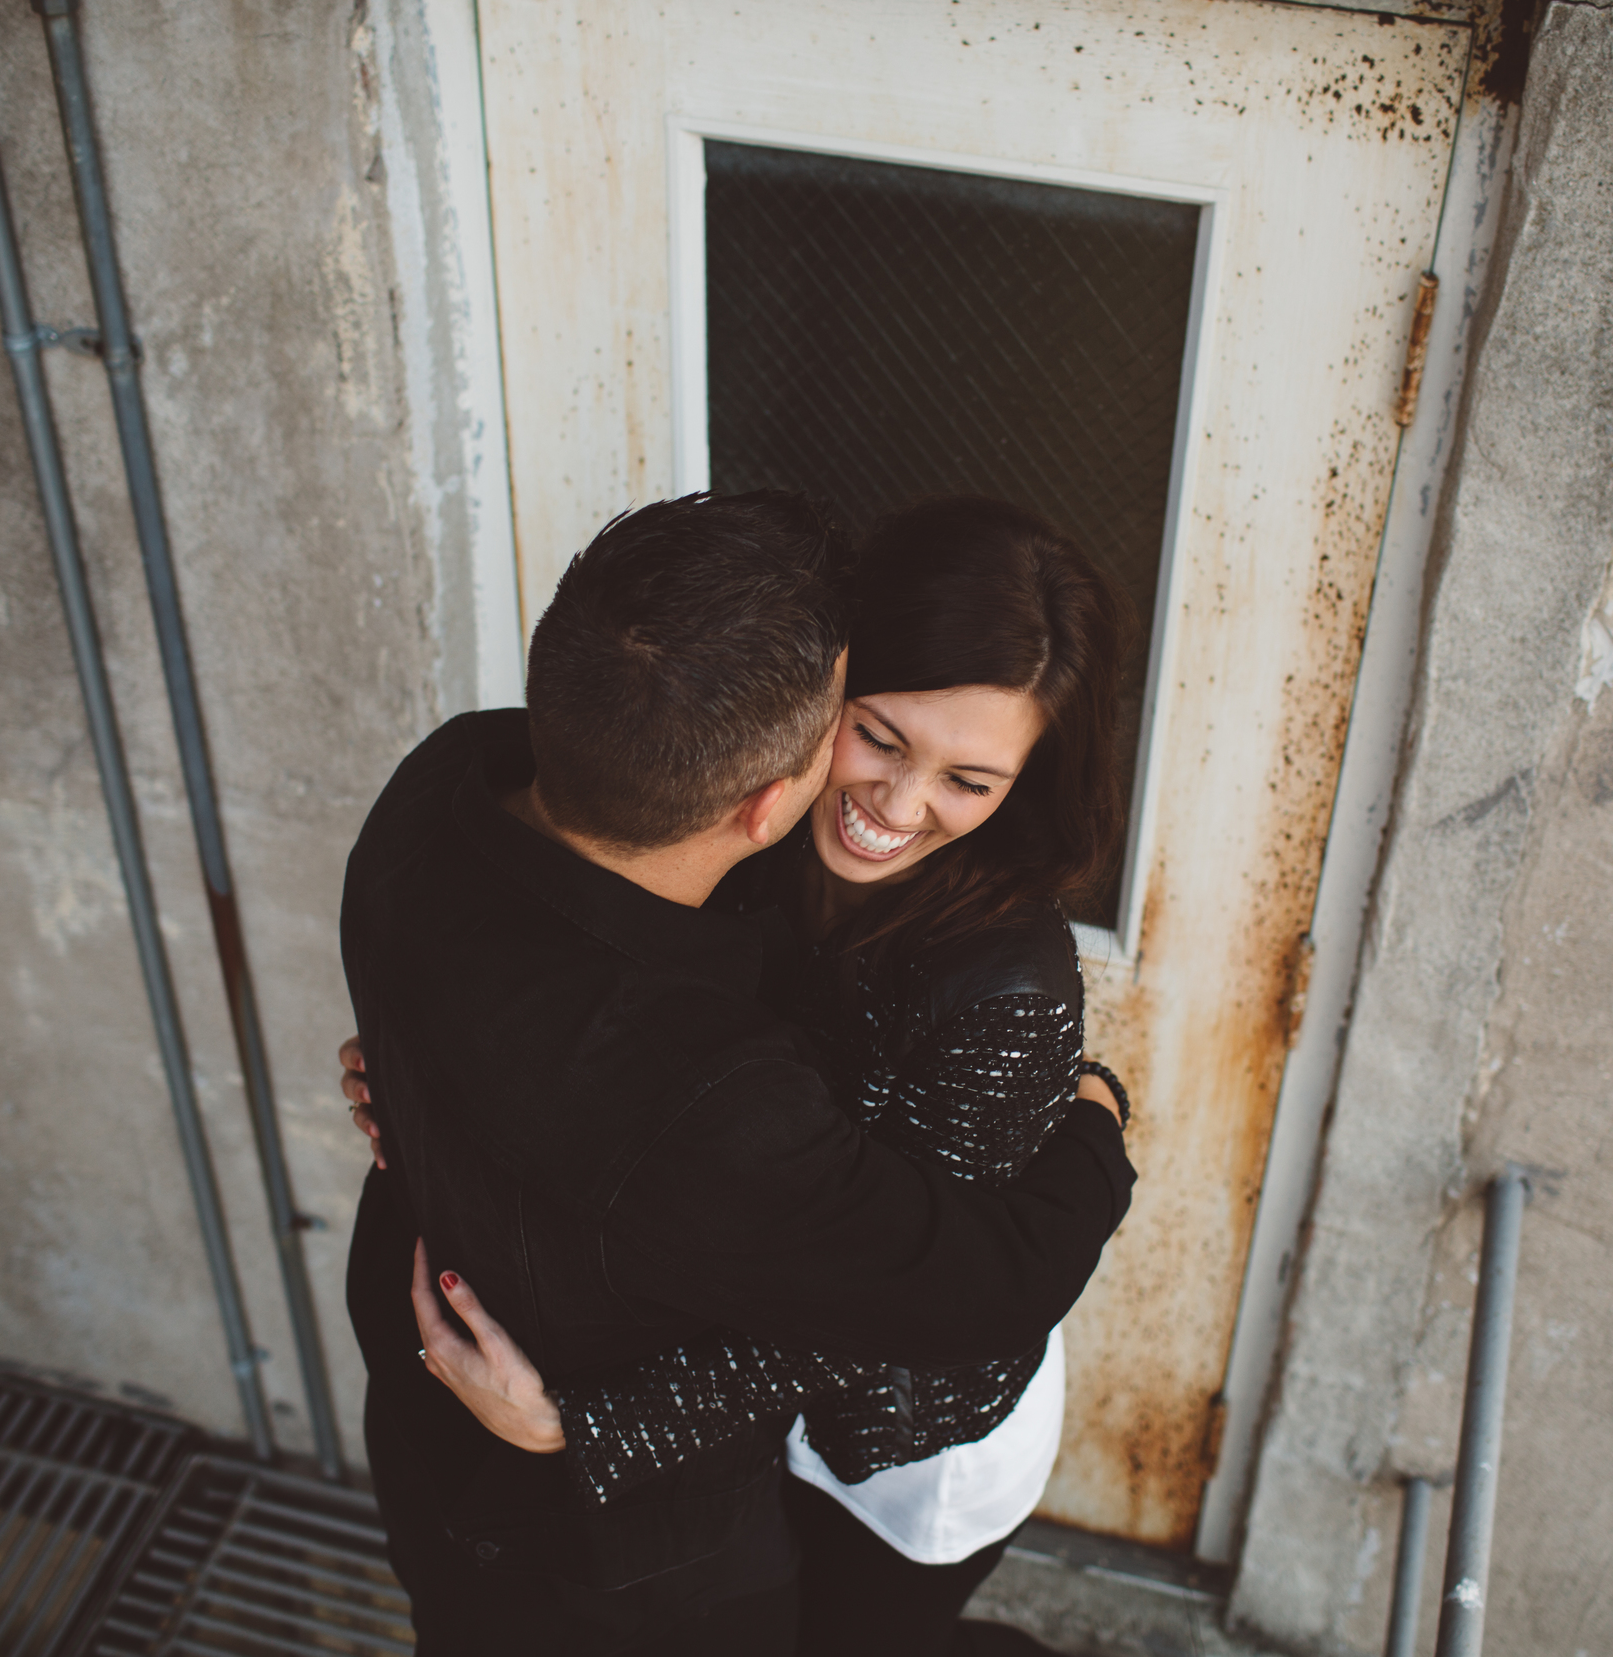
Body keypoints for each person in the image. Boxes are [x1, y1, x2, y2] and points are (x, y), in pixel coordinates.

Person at [338, 490, 1135, 1656]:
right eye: (878, 737)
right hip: (755, 1411)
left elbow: (920, 1304)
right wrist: (422, 1076)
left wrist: (596, 1427)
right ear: (805, 724)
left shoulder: (1000, 984)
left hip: (903, 1434)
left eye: (972, 781)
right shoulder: (707, 832)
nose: (898, 807)